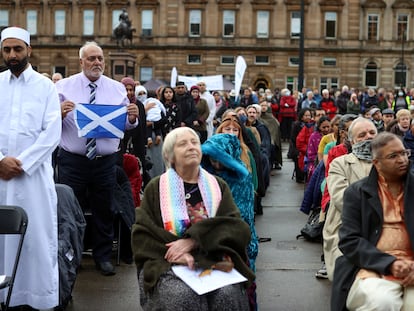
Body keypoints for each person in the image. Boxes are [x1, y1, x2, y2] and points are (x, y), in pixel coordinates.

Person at [131, 127, 254, 311]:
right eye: (183, 144)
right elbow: (142, 235)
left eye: (194, 142)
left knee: (226, 295)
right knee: (182, 296)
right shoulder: (156, 188)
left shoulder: (218, 186)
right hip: (167, 263)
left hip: (213, 259)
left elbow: (236, 228)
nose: (191, 147)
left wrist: (194, 241)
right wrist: (176, 256)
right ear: (170, 156)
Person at [55, 41, 139, 276]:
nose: (97, 63)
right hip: (73, 160)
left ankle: (103, 257)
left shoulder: (116, 89)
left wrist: (132, 119)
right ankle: (73, 255)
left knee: (104, 209)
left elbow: (124, 124)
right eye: (91, 58)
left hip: (105, 161)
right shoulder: (63, 87)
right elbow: (47, 124)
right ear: (81, 62)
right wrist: (58, 114)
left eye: (100, 58)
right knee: (72, 209)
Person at [0, 26, 61, 309]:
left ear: (29, 50)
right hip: (0, 176)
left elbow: (52, 133)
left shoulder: (45, 86)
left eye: (17, 49)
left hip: (33, 179)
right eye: (7, 50)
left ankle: (35, 299)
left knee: (35, 240)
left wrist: (21, 163)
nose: (12, 55)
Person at [332, 132, 414, 311]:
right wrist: (390, 263)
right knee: (381, 302)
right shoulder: (357, 193)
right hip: (374, 266)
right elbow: (349, 241)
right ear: (377, 163)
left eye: (404, 153)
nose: (402, 160)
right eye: (393, 156)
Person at [323, 117, 378, 280]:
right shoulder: (340, 164)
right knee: (349, 281)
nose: (368, 136)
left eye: (372, 132)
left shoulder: (388, 161)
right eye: (362, 134)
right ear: (352, 141)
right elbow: (343, 199)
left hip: (384, 231)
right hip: (346, 229)